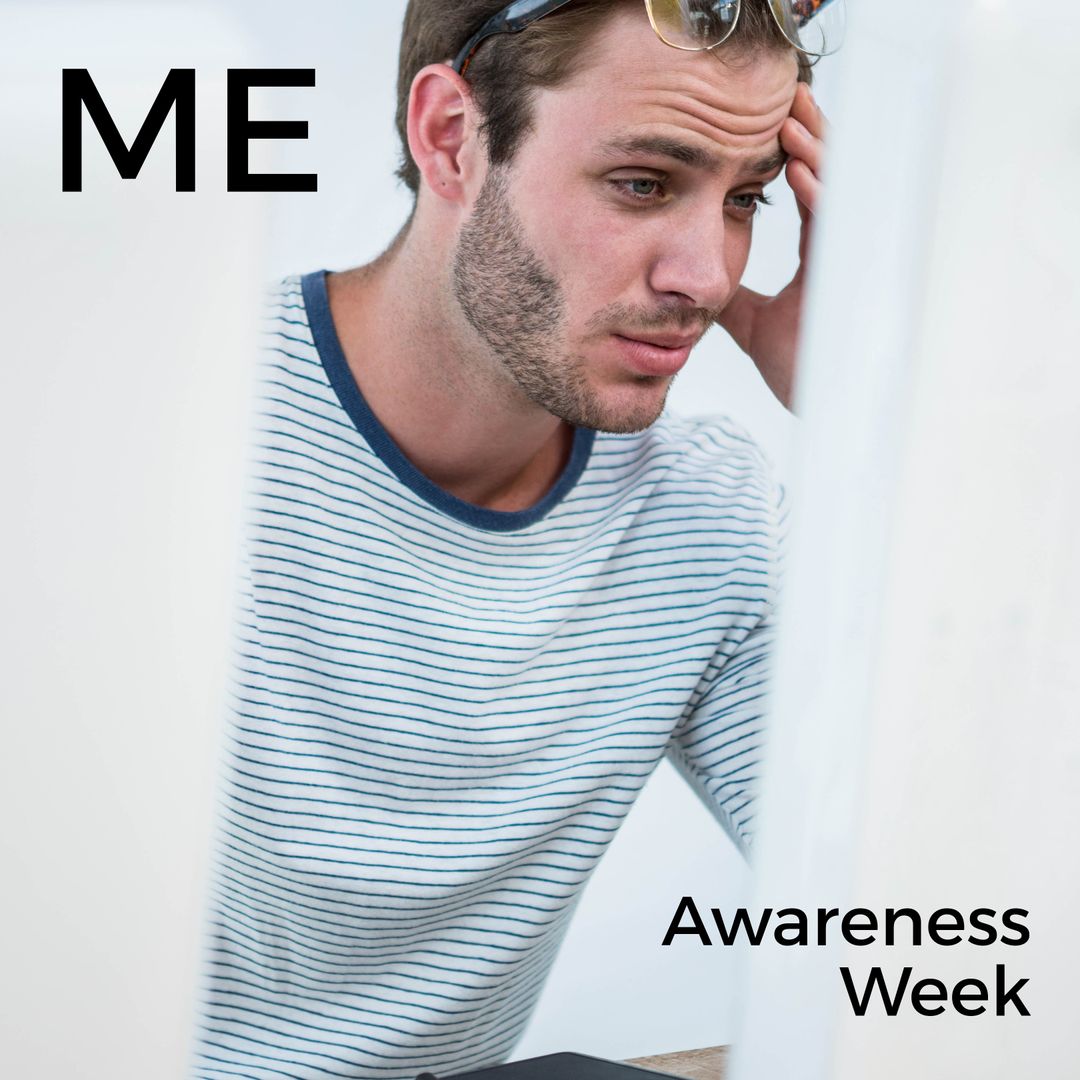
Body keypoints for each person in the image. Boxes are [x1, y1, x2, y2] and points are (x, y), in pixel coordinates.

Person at [193, 1, 830, 1076]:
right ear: (450, 137)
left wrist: (894, 412)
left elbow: (954, 919)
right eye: (644, 183)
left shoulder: (705, 522)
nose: (708, 278)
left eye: (746, 198)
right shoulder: (145, 432)